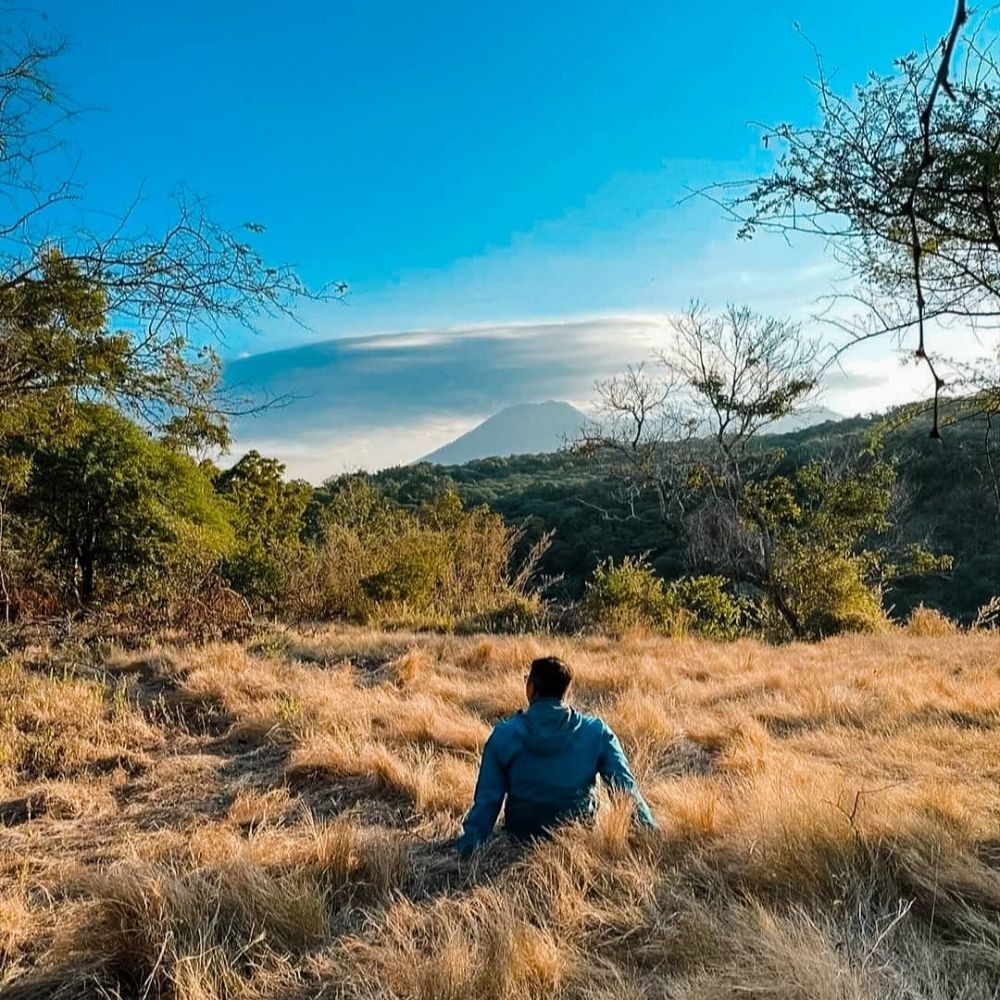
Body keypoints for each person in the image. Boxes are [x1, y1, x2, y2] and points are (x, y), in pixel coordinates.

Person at [454, 655, 656, 855]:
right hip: (578, 839)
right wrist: (651, 835)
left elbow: (487, 802)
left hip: (521, 838)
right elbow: (625, 790)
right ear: (567, 690)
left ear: (530, 688)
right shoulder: (596, 732)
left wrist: (467, 847)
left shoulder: (504, 735)